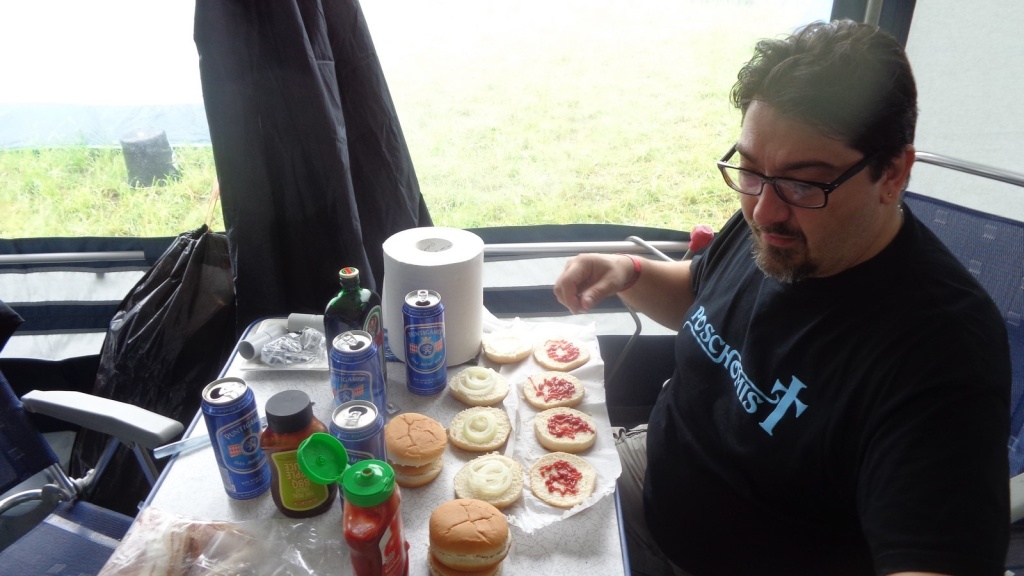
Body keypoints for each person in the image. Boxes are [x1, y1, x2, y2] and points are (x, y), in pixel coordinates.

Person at [554, 20, 1011, 576]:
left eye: (803, 182)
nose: (763, 211)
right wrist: (628, 272)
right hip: (651, 470)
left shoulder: (941, 355)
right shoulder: (779, 222)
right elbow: (701, 298)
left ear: (893, 173)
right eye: (749, 170)